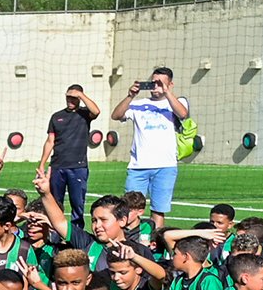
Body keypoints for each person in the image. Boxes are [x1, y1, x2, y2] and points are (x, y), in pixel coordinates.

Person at [112, 68, 187, 231]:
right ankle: (130, 240)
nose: (155, 86)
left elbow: (183, 113)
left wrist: (167, 92)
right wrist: (130, 96)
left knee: (158, 210)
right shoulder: (138, 104)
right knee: (129, 209)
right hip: (139, 166)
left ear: (170, 84)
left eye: (160, 83)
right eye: (153, 82)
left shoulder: (175, 102)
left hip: (165, 166)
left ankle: (155, 243)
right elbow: (116, 115)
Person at [38, 85, 97, 231]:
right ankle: (55, 232)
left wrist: (81, 96)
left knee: (77, 203)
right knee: (55, 202)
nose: (70, 100)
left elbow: (96, 111)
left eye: (74, 98)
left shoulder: (84, 114)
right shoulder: (56, 116)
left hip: (78, 167)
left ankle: (77, 234)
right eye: (68, 97)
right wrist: (42, 164)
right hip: (57, 166)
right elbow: (50, 141)